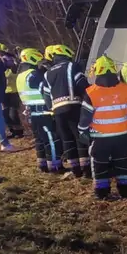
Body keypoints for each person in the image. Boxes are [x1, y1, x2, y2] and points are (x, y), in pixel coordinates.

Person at [78, 55, 127, 199]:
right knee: (122, 162)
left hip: (100, 138)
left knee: (99, 163)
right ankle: (125, 191)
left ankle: (102, 193)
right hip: (122, 136)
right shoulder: (125, 89)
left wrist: (82, 131)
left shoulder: (91, 92)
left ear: (97, 72)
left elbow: (85, 117)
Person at [42, 44, 90, 178]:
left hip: (57, 111)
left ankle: (75, 170)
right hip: (73, 106)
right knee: (79, 137)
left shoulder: (47, 73)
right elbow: (82, 85)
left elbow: (46, 95)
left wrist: (51, 108)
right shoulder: (72, 66)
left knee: (67, 139)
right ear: (66, 54)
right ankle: (86, 169)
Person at [17, 48, 63, 173]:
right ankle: (55, 166)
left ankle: (42, 164)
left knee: (39, 140)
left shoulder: (21, 75)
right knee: (51, 139)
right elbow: (45, 88)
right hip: (43, 111)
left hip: (32, 112)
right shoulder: (33, 74)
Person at [0, 44, 24, 139]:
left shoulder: (12, 63)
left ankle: (19, 131)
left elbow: (14, 75)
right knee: (5, 113)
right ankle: (12, 130)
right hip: (4, 92)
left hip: (13, 92)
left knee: (12, 112)